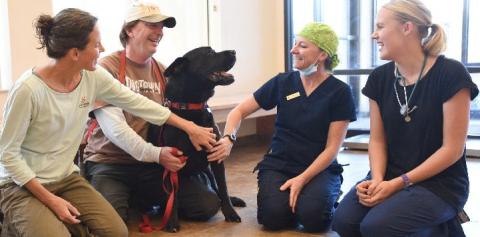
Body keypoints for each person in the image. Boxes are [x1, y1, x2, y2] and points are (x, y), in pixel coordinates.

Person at [0, 8, 215, 237]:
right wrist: (51, 201)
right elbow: (7, 155)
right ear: (74, 53)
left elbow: (138, 103)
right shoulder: (28, 90)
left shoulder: (92, 76)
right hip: (21, 185)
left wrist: (190, 127)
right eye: (96, 44)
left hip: (65, 178)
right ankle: (13, 223)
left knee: (116, 232)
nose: (101, 49)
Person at [332, 0, 479, 236]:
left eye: (380, 26)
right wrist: (378, 180)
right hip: (390, 174)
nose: (373, 34)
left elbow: (452, 149)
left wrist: (399, 184)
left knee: (376, 226)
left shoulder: (451, 73)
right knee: (343, 222)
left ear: (407, 28)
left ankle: (442, 227)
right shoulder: (379, 78)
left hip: (439, 183)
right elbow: (378, 141)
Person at [208, 22, 356, 232]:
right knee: (273, 218)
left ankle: (323, 195)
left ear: (322, 54)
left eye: (302, 46)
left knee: (314, 219)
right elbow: (238, 111)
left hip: (318, 167)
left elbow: (332, 149)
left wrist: (303, 179)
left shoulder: (340, 92)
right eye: (294, 44)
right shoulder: (283, 82)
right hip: (280, 164)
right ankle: (295, 201)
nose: (293, 50)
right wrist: (228, 137)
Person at [83, 1, 221, 224]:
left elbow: (196, 108)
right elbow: (116, 132)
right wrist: (158, 154)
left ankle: (139, 200)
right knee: (109, 223)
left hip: (153, 165)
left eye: (162, 26)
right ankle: (129, 199)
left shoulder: (164, 71)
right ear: (129, 29)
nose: (159, 32)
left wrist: (219, 139)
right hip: (111, 163)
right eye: (151, 25)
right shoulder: (105, 69)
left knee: (206, 205)